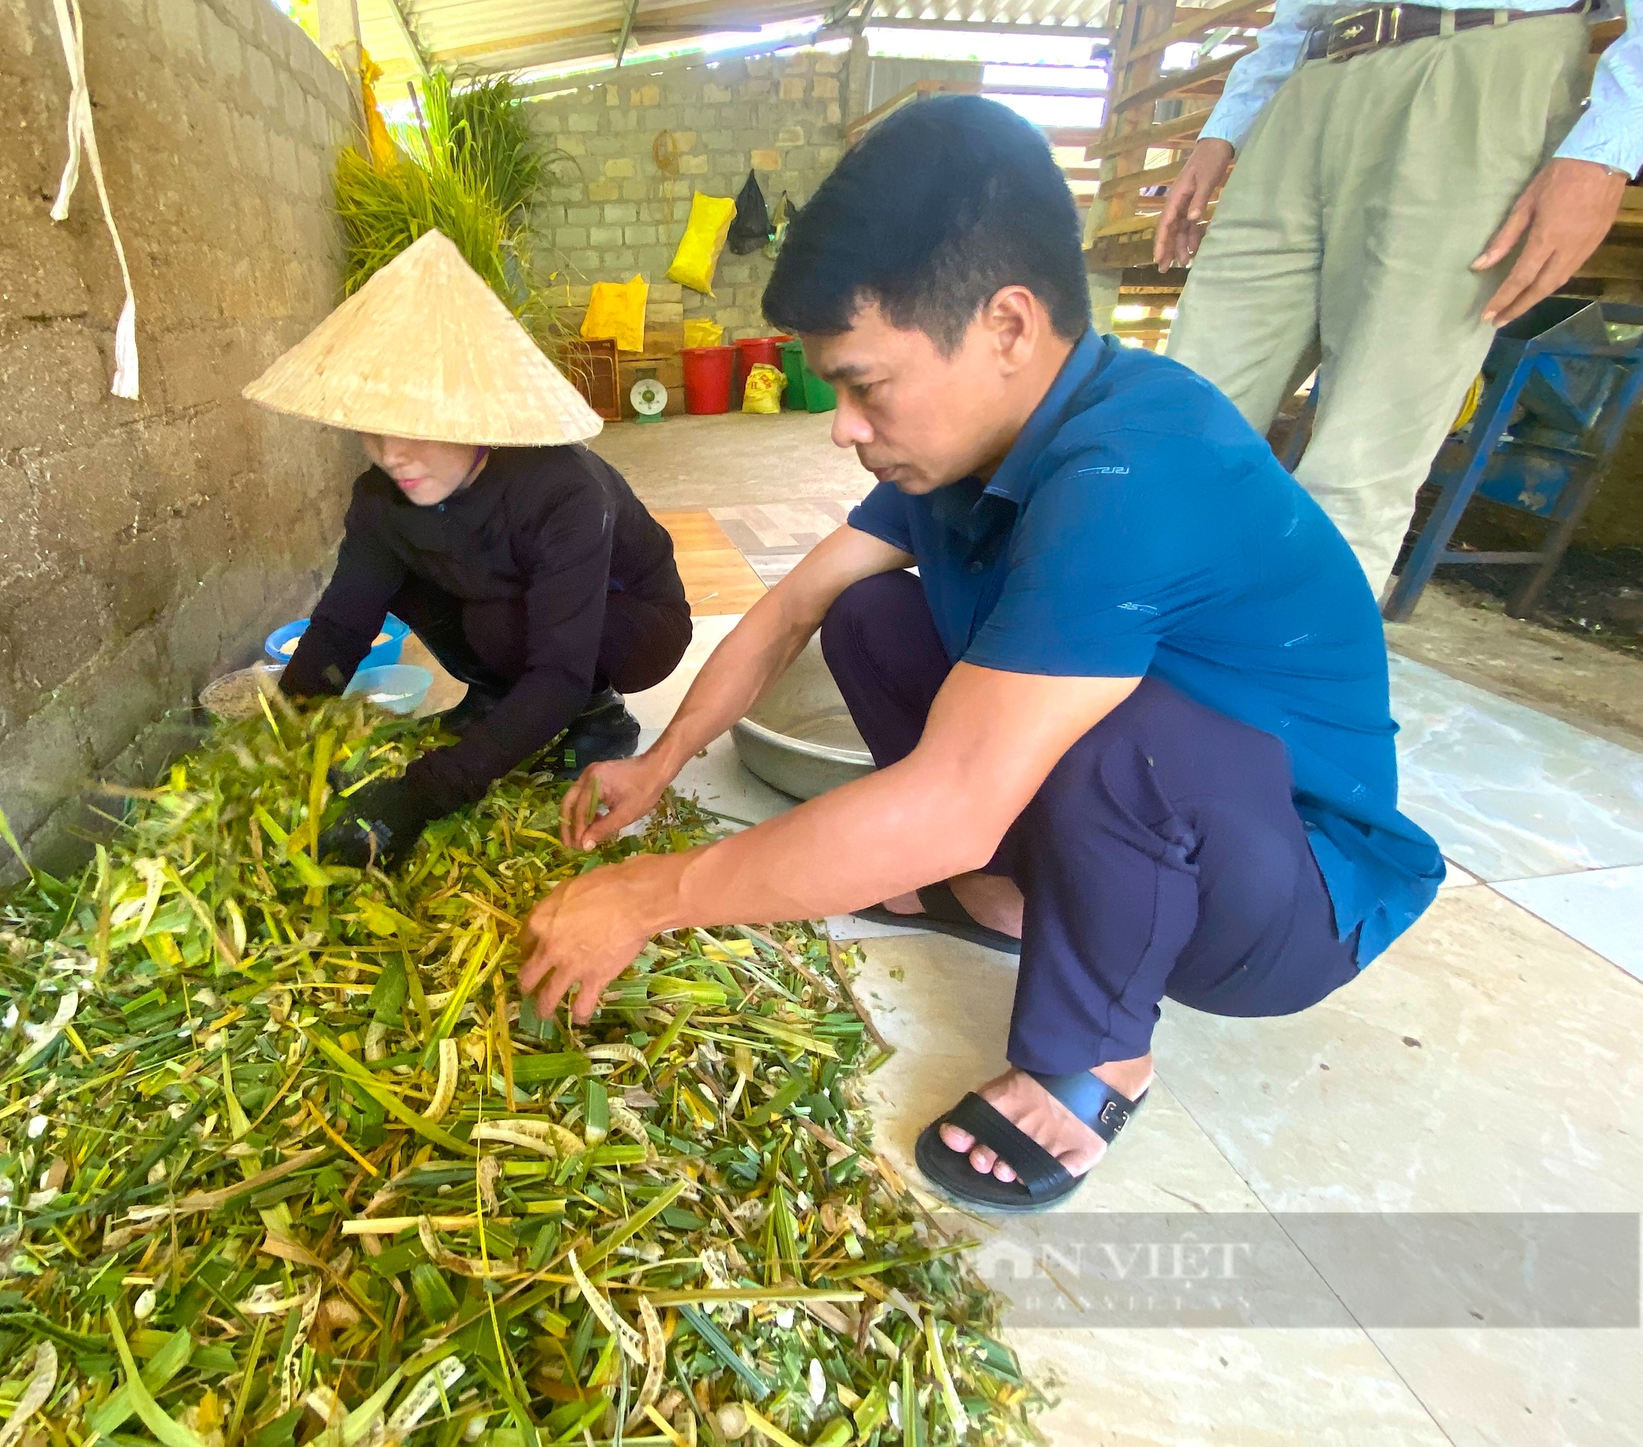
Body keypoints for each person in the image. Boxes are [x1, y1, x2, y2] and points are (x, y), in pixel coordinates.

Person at [516, 98, 1445, 1214]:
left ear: (1007, 325)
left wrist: (652, 897)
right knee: (871, 618)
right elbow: (791, 607)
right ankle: (1008, 900)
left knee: (1122, 740)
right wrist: (658, 766)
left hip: (1279, 901)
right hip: (1169, 829)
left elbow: (958, 793)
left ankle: (1097, 1055)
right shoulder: (965, 450)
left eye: (866, 383)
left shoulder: (1132, 470)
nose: (842, 424)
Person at [1157, 0, 1643, 596]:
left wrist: (1608, 149)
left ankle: (1287, 690)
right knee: (1179, 426)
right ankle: (1111, 674)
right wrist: (1226, 127)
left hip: (1485, 63)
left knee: (1363, 456)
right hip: (1312, 74)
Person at [241, 230, 692, 867]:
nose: (392, 453)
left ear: (472, 419)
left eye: (416, 430)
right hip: (508, 610)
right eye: (376, 430)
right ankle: (498, 699)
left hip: (633, 621)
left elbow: (557, 669)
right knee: (410, 581)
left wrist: (417, 796)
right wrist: (286, 741)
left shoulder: (563, 490)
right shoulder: (381, 496)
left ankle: (600, 714)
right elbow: (344, 622)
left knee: (505, 625)